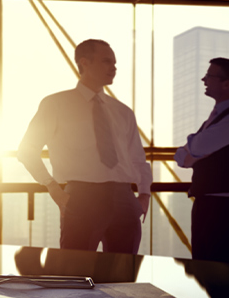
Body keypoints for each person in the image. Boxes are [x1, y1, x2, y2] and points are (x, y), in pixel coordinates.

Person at [17, 39, 151, 254]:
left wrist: (144, 195)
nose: (114, 67)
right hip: (82, 198)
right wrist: (52, 187)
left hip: (124, 199)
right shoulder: (56, 104)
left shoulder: (123, 111)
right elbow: (27, 150)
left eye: (115, 62)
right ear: (84, 63)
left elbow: (137, 158)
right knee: (75, 272)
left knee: (123, 277)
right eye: (107, 61)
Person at [175, 58, 229, 264]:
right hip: (205, 206)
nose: (204, 79)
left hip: (223, 210)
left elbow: (195, 148)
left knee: (223, 283)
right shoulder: (216, 118)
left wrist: (194, 144)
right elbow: (182, 158)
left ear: (227, 84)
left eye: (209, 76)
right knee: (204, 276)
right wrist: (197, 147)